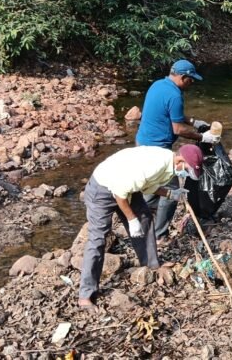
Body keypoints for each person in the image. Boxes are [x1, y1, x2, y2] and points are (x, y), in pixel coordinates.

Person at [78, 144, 204, 310]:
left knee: (144, 218)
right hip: (102, 190)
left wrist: (171, 194)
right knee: (98, 239)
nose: (185, 173)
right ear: (180, 160)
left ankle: (151, 265)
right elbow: (119, 195)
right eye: (187, 170)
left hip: (127, 186)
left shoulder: (168, 166)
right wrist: (131, 220)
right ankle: (86, 295)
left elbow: (147, 184)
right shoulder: (155, 164)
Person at [135, 59, 219, 241]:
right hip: (156, 149)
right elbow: (178, 129)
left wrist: (194, 122)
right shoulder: (175, 95)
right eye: (190, 79)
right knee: (172, 193)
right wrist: (203, 137)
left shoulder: (158, 85)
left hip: (142, 142)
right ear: (182, 77)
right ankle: (160, 234)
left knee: (150, 188)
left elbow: (173, 114)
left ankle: (142, 227)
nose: (192, 82)